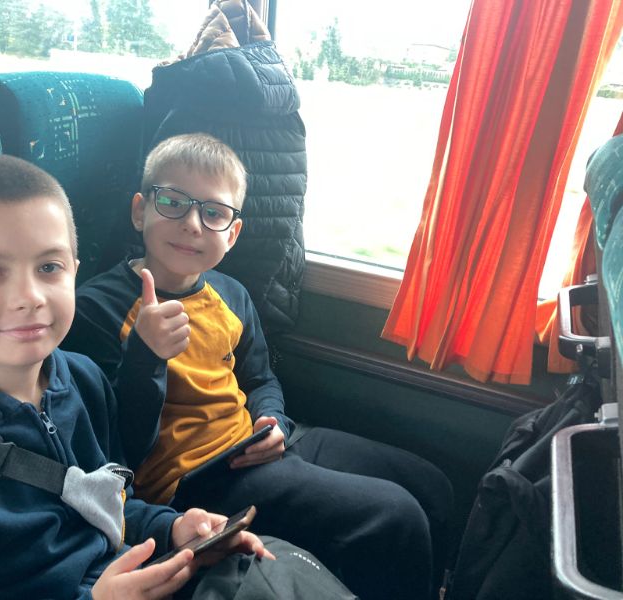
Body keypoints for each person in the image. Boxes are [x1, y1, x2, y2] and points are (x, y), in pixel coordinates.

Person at [0, 154, 285, 599]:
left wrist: (173, 529)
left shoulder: (81, 380)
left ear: (74, 274)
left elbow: (104, 501)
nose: (29, 296)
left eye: (49, 267)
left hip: (124, 573)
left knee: (272, 567)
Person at [62, 133, 455, 600]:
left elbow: (260, 378)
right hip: (198, 479)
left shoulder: (231, 293)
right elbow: (115, 448)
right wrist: (146, 356)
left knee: (431, 486)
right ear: (139, 211)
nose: (192, 224)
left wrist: (274, 421)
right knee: (394, 515)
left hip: (257, 442)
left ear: (232, 234)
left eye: (214, 213)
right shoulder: (95, 310)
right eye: (172, 202)